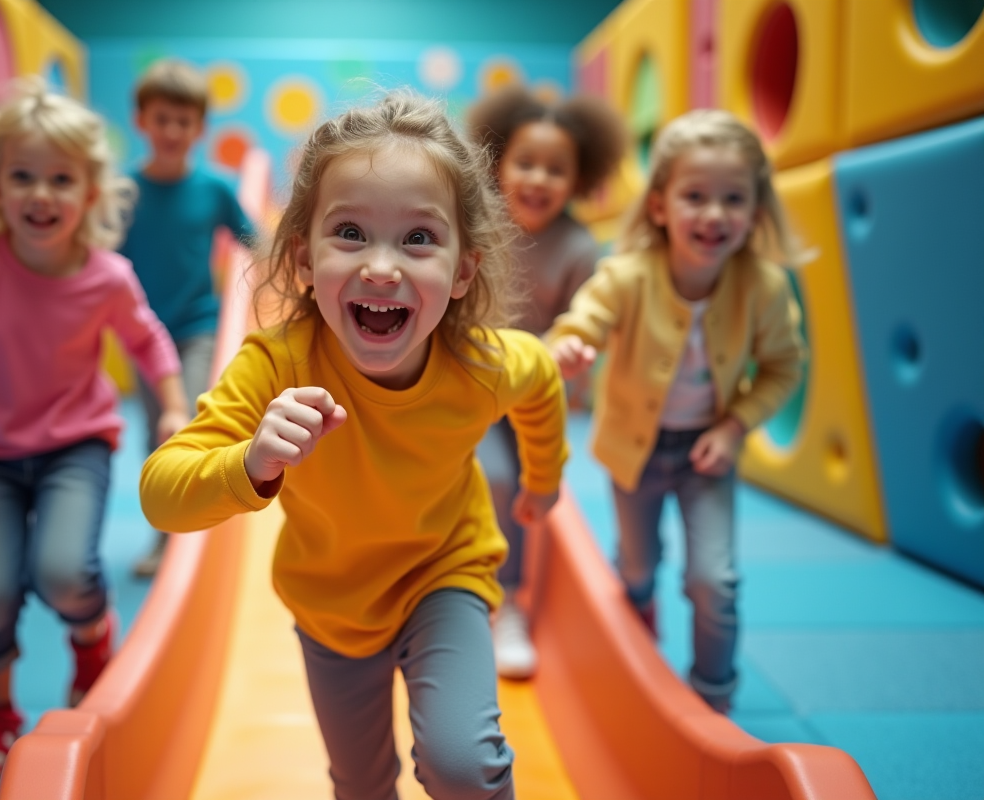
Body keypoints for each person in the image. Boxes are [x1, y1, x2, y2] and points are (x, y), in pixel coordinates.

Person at [141, 93, 568, 799]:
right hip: (332, 606)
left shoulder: (484, 364)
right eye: (350, 232)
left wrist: (543, 478)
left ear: (463, 272)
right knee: (361, 783)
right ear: (303, 258)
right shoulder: (278, 364)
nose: (380, 267)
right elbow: (162, 492)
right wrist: (249, 462)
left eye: (419, 239)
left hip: (445, 575)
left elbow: (542, 379)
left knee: (465, 766)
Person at [0, 78, 186, 792]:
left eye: (61, 179)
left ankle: (91, 637)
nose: (41, 194)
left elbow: (151, 343)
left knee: (63, 572)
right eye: (22, 175)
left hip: (75, 447)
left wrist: (172, 406)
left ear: (91, 192)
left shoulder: (107, 276)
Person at [546, 109, 806, 714]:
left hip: (704, 454)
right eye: (696, 197)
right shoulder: (629, 275)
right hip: (633, 450)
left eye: (733, 199)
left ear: (755, 211)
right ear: (660, 205)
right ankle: (637, 647)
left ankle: (713, 697)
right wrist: (572, 345)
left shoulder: (761, 288)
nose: (714, 215)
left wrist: (734, 425)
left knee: (714, 581)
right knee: (638, 568)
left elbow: (783, 366)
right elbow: (585, 318)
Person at [468, 85, 626, 679]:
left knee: (523, 485)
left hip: (532, 391)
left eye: (556, 170)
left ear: (580, 179)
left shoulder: (580, 247)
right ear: (497, 162)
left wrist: (574, 352)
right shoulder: (479, 226)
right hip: (473, 383)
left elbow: (585, 319)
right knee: (482, 475)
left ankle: (509, 601)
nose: (538, 179)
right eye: (525, 162)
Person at [121, 58, 257, 578]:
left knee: (193, 423)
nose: (173, 131)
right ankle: (165, 535)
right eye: (162, 119)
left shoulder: (214, 190)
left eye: (184, 121)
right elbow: (102, 262)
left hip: (199, 326)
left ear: (200, 128)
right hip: (142, 335)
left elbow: (252, 240)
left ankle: (195, 537)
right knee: (157, 435)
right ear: (142, 121)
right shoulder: (125, 193)